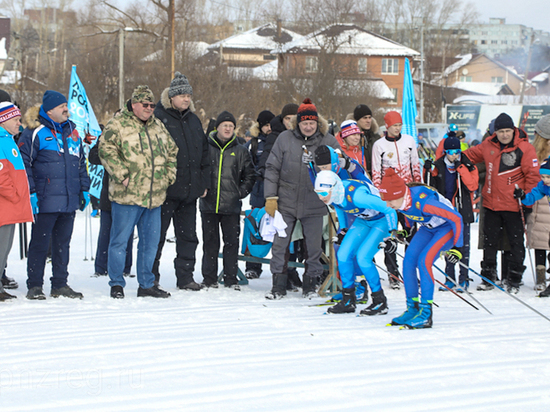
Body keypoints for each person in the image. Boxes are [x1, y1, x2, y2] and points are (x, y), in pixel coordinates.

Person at [99, 85, 178, 299]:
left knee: (150, 243)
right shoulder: (118, 124)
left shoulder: (158, 126)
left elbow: (172, 150)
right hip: (127, 196)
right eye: (145, 104)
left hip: (154, 197)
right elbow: (105, 149)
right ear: (134, 104)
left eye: (152, 105)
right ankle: (116, 283)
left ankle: (147, 284)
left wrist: (168, 176)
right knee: (119, 241)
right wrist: (121, 174)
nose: (149, 108)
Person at [264, 98, 340, 299]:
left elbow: (339, 166)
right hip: (286, 201)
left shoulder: (328, 141)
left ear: (318, 123)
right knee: (280, 244)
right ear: (298, 123)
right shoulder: (284, 139)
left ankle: (310, 284)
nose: (308, 127)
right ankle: (278, 284)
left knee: (314, 247)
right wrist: (271, 196)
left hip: (314, 203)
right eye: (304, 123)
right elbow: (272, 168)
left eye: (312, 123)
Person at [19, 90, 90, 300]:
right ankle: (35, 285)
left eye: (66, 105)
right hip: (45, 200)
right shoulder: (35, 132)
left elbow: (80, 164)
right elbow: (24, 165)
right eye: (62, 106)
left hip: (68, 200)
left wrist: (84, 189)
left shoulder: (73, 132)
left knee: (63, 245)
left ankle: (60, 284)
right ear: (50, 110)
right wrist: (31, 193)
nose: (66, 109)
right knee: (40, 244)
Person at [463, 113, 539, 293]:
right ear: (495, 131)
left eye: (507, 131)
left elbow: (533, 177)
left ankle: (514, 278)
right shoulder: (488, 144)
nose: (504, 135)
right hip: (491, 203)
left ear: (513, 130)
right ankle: (488, 276)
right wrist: (450, 156)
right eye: (501, 131)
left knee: (515, 243)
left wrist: (527, 199)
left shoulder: (525, 148)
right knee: (490, 243)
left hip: (514, 204)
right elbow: (469, 155)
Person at [380, 168, 463, 329]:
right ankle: (413, 309)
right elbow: (409, 213)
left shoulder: (425, 203)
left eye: (390, 200)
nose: (387, 205)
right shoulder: (401, 200)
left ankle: (426, 314)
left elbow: (456, 218)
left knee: (424, 261)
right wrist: (407, 229)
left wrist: (458, 248)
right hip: (428, 227)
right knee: (408, 262)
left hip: (446, 228)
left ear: (400, 194)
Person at [152, 72, 210, 290]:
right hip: (165, 191)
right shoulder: (158, 118)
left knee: (188, 238)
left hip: (189, 191)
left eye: (189, 95)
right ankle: (151, 277)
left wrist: (203, 182)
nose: (187, 99)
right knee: (156, 237)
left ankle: (185, 277)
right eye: (182, 95)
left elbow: (204, 154)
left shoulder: (194, 120)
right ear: (172, 97)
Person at [314, 170, 397, 315]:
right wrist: (344, 229)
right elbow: (340, 208)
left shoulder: (358, 197)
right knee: (343, 254)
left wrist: (392, 234)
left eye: (323, 193)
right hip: (363, 220)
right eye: (318, 193)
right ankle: (348, 299)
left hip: (382, 220)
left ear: (333, 188)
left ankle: (380, 301)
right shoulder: (335, 196)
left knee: (363, 258)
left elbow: (389, 209)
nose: (321, 197)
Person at [200, 111, 256, 289]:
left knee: (231, 243)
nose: (228, 129)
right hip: (208, 204)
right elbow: (198, 170)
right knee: (210, 243)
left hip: (231, 206)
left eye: (231, 126)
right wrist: (202, 188)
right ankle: (209, 278)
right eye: (225, 125)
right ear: (218, 128)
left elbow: (250, 175)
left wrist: (239, 192)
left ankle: (231, 278)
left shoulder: (240, 150)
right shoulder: (206, 147)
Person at [371, 111, 421, 289]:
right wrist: (380, 195)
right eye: (394, 126)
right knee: (391, 234)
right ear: (387, 126)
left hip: (407, 196)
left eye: (399, 125)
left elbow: (415, 164)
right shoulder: (379, 145)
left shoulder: (409, 141)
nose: (397, 129)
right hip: (390, 197)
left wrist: (418, 188)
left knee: (411, 235)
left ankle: (411, 272)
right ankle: (393, 273)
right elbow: (376, 171)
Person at [423, 135, 479, 292]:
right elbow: (429, 185)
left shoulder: (467, 164)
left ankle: (464, 277)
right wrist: (426, 169)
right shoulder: (439, 165)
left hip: (462, 209)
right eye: (451, 152)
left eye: (457, 151)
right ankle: (449, 277)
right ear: (445, 151)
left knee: (463, 245)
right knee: (448, 244)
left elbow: (472, 185)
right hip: (445, 211)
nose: (455, 155)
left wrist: (461, 168)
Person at [88, 125, 134, 279]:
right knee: (106, 232)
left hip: (131, 194)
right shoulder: (108, 137)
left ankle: (125, 267)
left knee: (126, 233)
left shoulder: (135, 136)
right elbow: (93, 157)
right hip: (110, 193)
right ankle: (101, 267)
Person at [0, 102, 33, 301]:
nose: (19, 124)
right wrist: (14, 195)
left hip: (10, 206)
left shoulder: (8, 140)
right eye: (15, 120)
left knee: (4, 249)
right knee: (1, 248)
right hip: (5, 205)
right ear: (3, 120)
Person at [520, 114, 550, 292]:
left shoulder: (534, 154)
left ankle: (540, 276)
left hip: (540, 203)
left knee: (539, 239)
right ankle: (541, 277)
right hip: (540, 197)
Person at [244, 109, 275, 280]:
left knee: (277, 229)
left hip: (276, 193)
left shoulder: (279, 141)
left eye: (271, 124)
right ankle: (253, 265)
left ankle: (282, 267)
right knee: (255, 230)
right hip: (258, 192)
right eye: (265, 125)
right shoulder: (254, 144)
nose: (269, 128)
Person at [353, 104, 380, 176]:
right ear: (357, 120)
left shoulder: (376, 137)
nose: (368, 121)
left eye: (369, 117)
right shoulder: (351, 138)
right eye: (365, 118)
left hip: (376, 176)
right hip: (358, 176)